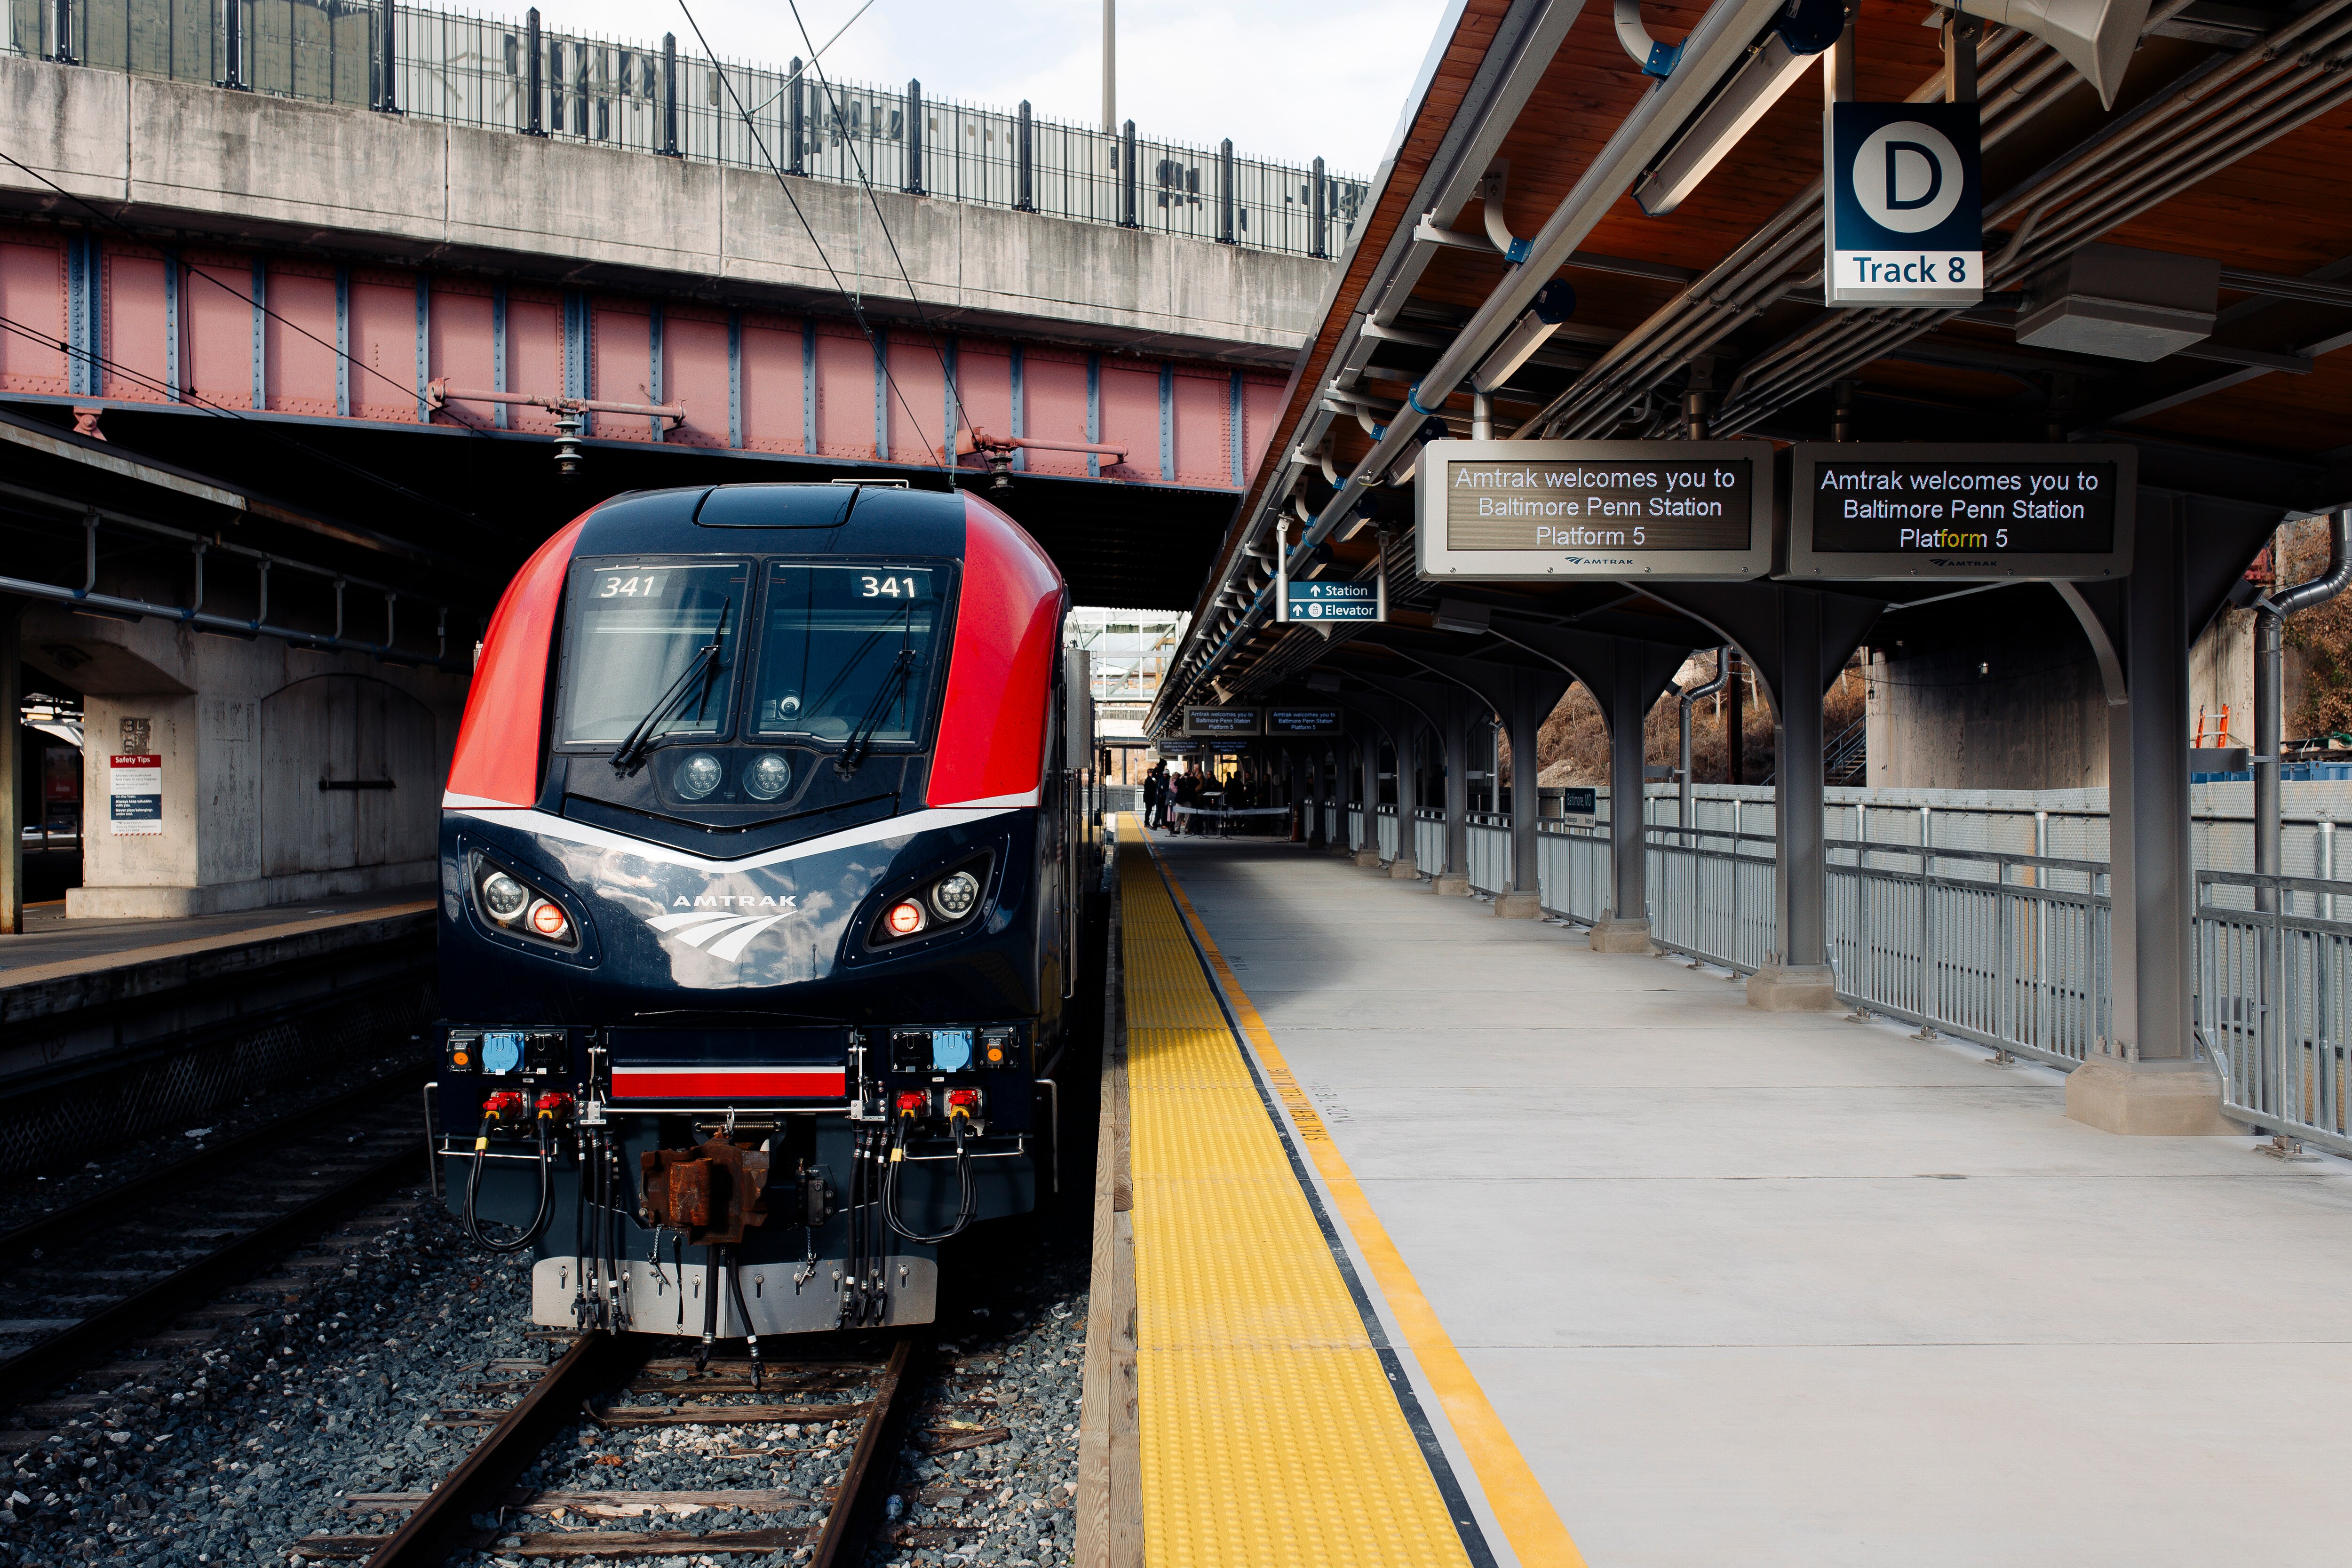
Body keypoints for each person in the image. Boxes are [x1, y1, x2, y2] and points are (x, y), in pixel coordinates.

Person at [1143, 762, 1167, 829]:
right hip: (1149, 798)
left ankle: (1147, 822)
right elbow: (1151, 790)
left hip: (1149, 798)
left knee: (1149, 810)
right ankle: (1147, 823)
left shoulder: (1150, 780)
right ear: (1149, 773)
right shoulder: (1149, 781)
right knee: (1148, 810)